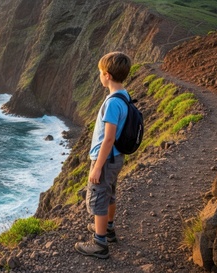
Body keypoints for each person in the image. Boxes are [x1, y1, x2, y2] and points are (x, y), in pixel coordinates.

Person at [74, 51, 131, 259]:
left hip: (106, 159)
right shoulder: (123, 96)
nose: (99, 76)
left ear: (107, 75)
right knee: (109, 194)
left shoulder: (112, 102)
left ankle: (100, 244)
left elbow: (108, 138)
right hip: (116, 158)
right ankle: (108, 229)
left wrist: (97, 166)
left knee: (98, 198)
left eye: (100, 72)